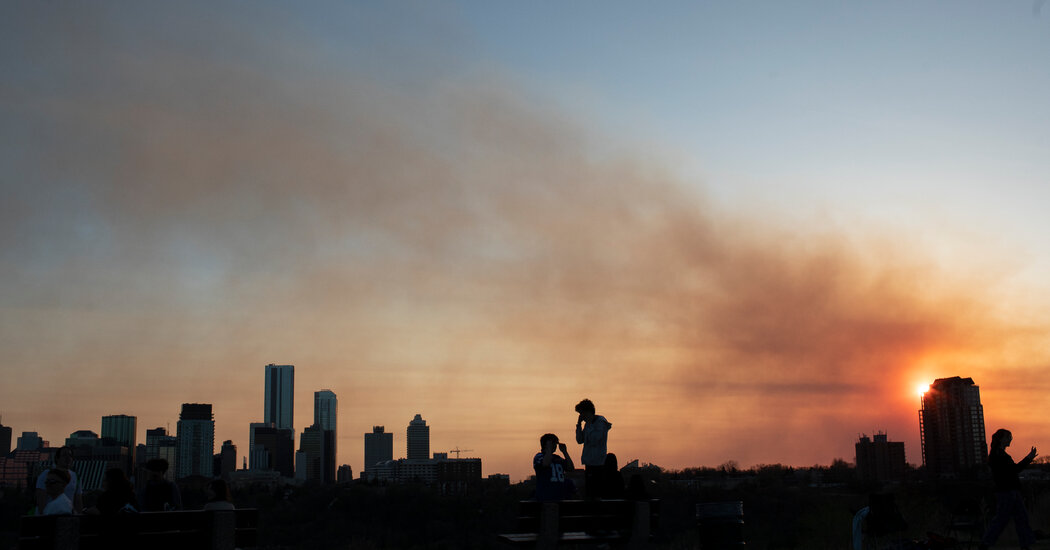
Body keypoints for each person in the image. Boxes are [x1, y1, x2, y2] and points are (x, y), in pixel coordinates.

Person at [979, 429, 1037, 550]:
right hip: (1006, 492)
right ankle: (985, 544)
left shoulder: (999, 454)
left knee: (1021, 518)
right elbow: (1014, 470)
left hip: (1011, 492)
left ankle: (1025, 545)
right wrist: (1028, 459)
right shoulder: (998, 455)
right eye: (1008, 437)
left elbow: (1013, 470)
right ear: (1001, 439)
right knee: (1002, 520)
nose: (1010, 439)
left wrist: (1028, 458)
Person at [575, 399, 611, 498]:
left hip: (598, 464)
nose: (582, 416)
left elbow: (595, 439)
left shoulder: (600, 422)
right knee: (589, 492)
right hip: (589, 463)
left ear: (588, 412)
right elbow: (579, 440)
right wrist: (579, 425)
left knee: (596, 492)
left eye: (582, 413)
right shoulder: (588, 424)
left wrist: (590, 424)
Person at [35, 447, 83, 514]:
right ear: (57, 458)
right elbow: (41, 500)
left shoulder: (76, 477)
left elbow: (78, 502)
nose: (68, 458)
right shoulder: (46, 475)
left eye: (70, 455)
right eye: (64, 455)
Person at [533, 433, 576, 502]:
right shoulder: (539, 456)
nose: (555, 446)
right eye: (553, 443)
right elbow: (546, 463)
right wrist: (549, 448)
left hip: (560, 497)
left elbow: (571, 468)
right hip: (545, 497)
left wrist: (565, 452)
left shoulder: (557, 458)